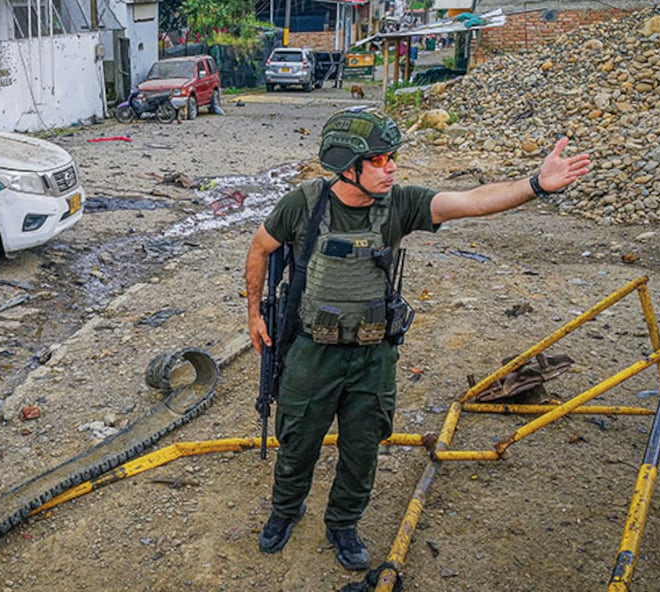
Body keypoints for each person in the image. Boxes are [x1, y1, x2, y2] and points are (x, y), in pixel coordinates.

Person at [243, 109, 589, 571]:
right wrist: (253, 314)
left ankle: (343, 524)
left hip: (373, 357)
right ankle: (286, 512)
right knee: (297, 439)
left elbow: (469, 201)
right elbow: (260, 247)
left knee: (363, 447)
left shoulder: (401, 204)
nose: (391, 168)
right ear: (348, 165)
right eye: (380, 160)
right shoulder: (303, 204)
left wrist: (536, 185)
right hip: (311, 353)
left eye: (393, 158)